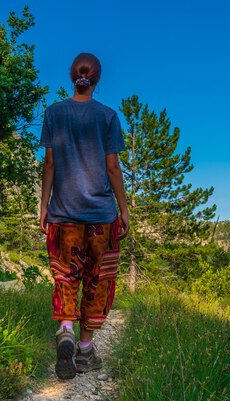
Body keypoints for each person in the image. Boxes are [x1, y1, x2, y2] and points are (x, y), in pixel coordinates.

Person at [39, 52, 129, 380]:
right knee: (98, 282)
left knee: (65, 275)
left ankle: (65, 330)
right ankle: (86, 351)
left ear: (71, 76)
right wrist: (124, 210)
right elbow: (112, 167)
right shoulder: (107, 116)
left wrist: (44, 205)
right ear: (97, 79)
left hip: (64, 215)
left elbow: (49, 164)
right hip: (101, 218)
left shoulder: (54, 113)